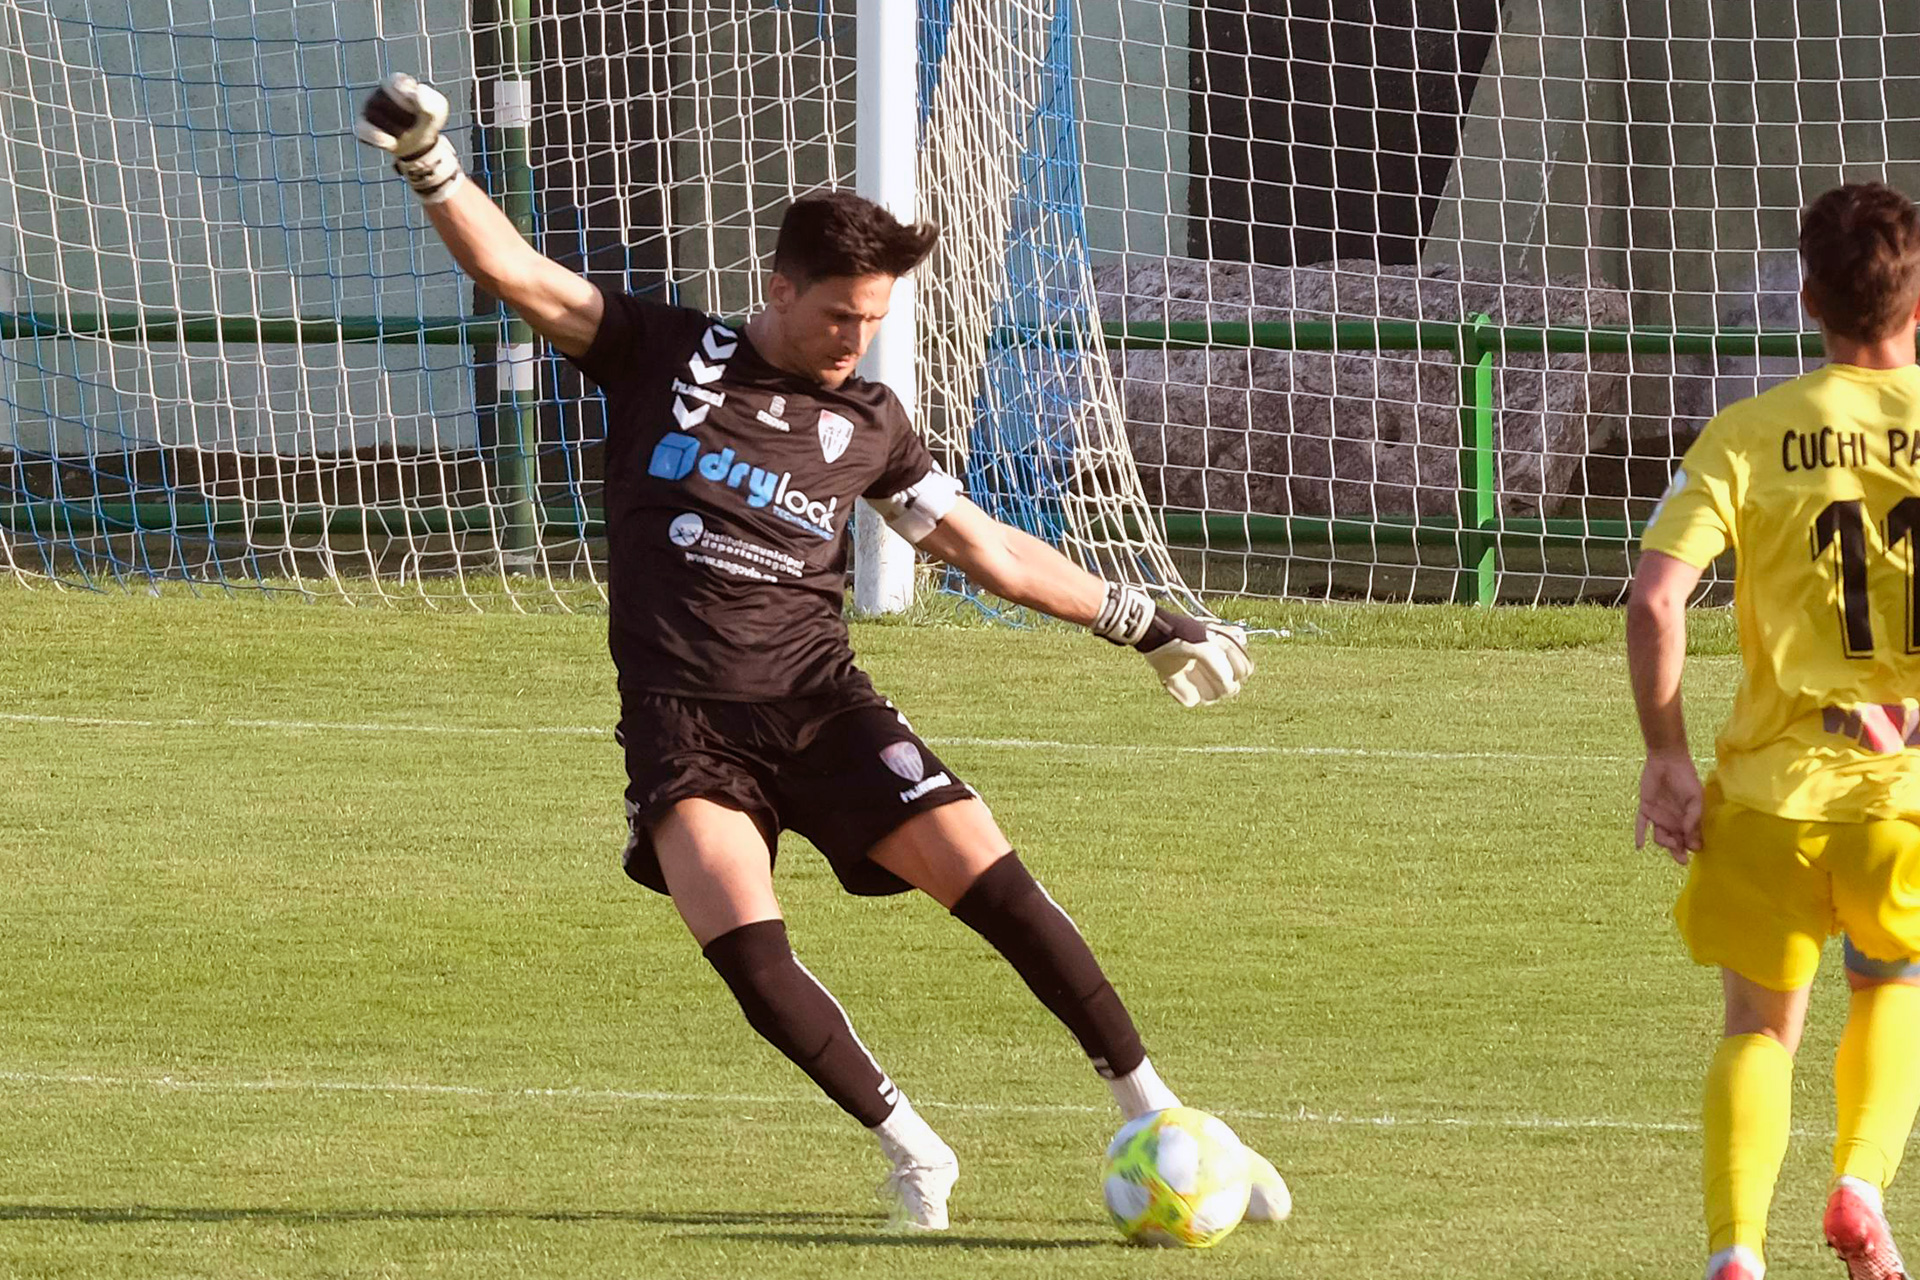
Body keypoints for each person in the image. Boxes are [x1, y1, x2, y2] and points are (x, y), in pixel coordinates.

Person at [357, 73, 1289, 1230]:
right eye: (840, 314)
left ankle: (1162, 1115)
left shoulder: (871, 422)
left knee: (1000, 888)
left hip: (822, 704)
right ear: (780, 287)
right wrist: (431, 165)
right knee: (749, 954)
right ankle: (916, 1151)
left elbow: (984, 546)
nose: (858, 338)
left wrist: (1142, 621)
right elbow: (516, 273)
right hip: (685, 727)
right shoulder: (661, 353)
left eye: (874, 317)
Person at [1630, 181, 1920, 1280]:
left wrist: (1666, 755)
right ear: (1918, 301)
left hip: (1767, 795)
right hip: (1904, 797)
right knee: (1895, 983)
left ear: (1808, 299)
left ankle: (1737, 1252)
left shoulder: (1746, 434)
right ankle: (1861, 1187)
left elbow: (1657, 599)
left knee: (1757, 1028)